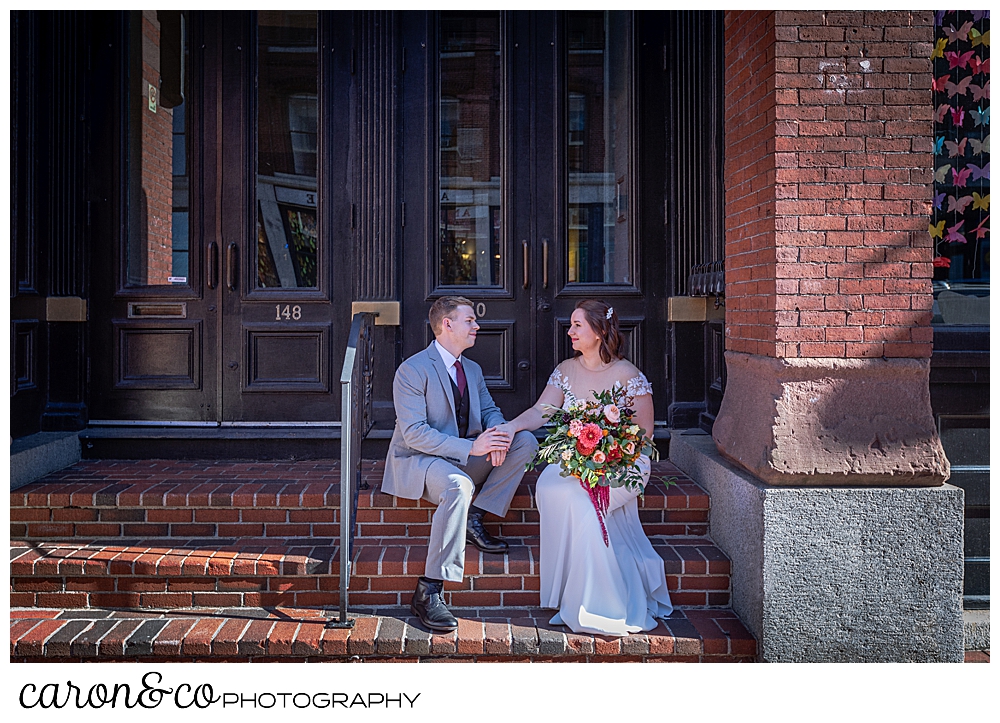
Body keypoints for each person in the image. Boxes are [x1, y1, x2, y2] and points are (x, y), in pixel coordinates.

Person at [495, 299, 673, 636]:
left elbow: (645, 436)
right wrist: (510, 427)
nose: (570, 331)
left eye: (578, 325)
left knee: (586, 503)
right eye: (571, 324)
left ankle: (600, 603)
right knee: (548, 486)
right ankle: (568, 593)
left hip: (625, 465)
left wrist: (609, 456)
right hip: (577, 463)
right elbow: (541, 411)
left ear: (600, 331)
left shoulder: (628, 375)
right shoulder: (565, 369)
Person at [382, 296, 538, 633]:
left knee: (525, 442)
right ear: (446, 325)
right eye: (469, 320)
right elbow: (413, 435)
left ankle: (474, 516)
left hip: (462, 457)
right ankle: (429, 590)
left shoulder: (472, 369)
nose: (477, 325)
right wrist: (472, 446)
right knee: (458, 485)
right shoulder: (412, 369)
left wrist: (501, 434)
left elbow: (489, 409)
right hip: (422, 461)